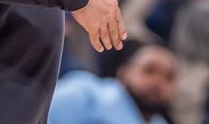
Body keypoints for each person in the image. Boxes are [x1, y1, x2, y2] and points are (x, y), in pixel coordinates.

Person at [49, 42, 177, 124]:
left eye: (169, 77)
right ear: (123, 72)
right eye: (149, 70)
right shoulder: (84, 93)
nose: (158, 82)